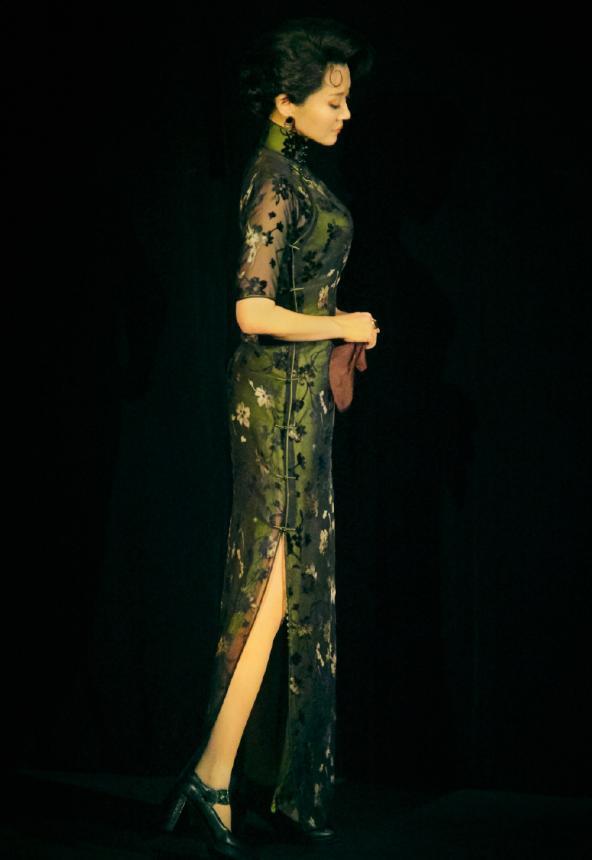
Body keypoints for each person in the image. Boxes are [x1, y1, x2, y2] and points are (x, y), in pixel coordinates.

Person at [159, 17, 378, 859]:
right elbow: (251, 310)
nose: (346, 113)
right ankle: (212, 773)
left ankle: (228, 775)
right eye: (333, 99)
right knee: (270, 585)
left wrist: (335, 326)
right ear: (288, 102)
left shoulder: (292, 173)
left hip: (299, 401)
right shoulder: (274, 179)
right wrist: (342, 324)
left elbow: (290, 293)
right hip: (273, 402)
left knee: (286, 589)